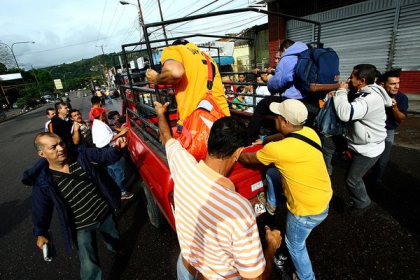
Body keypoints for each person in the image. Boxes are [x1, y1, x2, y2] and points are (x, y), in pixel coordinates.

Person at [154, 101, 281, 279]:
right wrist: (271, 247)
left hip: (185, 269)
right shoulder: (238, 208)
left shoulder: (182, 165)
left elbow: (167, 138)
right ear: (238, 153)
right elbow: (255, 278)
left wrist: (160, 113)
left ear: (208, 140)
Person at [239, 99, 332, 280]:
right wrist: (265, 139)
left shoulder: (278, 150)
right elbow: (284, 137)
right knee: (274, 172)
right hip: (323, 198)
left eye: (277, 116)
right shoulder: (309, 132)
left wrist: (237, 153)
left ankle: (306, 277)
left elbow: (249, 159)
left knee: (295, 246)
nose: (274, 118)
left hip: (305, 211)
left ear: (285, 122)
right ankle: (272, 205)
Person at [22, 132, 127, 280]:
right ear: (42, 153)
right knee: (89, 265)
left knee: (114, 240)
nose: (61, 148)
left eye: (61, 143)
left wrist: (116, 149)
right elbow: (40, 209)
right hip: (80, 227)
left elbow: (103, 155)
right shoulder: (43, 181)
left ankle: (117, 248)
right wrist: (41, 233)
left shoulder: (81, 155)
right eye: (54, 147)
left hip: (104, 213)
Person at [333, 64, 389, 214]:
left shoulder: (369, 99)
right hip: (364, 143)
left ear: (362, 80)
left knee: (352, 179)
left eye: (353, 77)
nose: (350, 79)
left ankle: (363, 203)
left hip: (369, 148)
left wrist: (341, 92)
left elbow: (345, 113)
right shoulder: (368, 92)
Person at [146, 39, 230, 127]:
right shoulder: (207, 57)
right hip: (223, 118)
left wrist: (156, 78)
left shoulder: (174, 49)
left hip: (197, 124)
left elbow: (175, 72)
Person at [247, 40, 309, 143]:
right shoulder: (306, 55)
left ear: (284, 50)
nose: (277, 60)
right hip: (307, 99)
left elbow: (275, 85)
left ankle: (249, 139)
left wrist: (270, 80)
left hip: (292, 99)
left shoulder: (287, 58)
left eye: (278, 57)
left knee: (262, 105)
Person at [371, 69, 408, 188]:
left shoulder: (402, 98)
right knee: (366, 156)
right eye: (392, 84)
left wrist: (395, 107)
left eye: (398, 83)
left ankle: (375, 181)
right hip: (371, 129)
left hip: (388, 131)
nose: (396, 86)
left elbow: (401, 119)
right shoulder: (375, 96)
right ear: (383, 84)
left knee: (383, 160)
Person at [91, 107, 133, 200]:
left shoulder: (97, 124)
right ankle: (123, 192)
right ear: (101, 115)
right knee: (119, 172)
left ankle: (117, 190)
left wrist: (118, 131)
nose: (105, 115)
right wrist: (121, 133)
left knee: (112, 173)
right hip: (108, 151)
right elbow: (107, 139)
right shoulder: (100, 126)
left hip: (103, 153)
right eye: (104, 114)